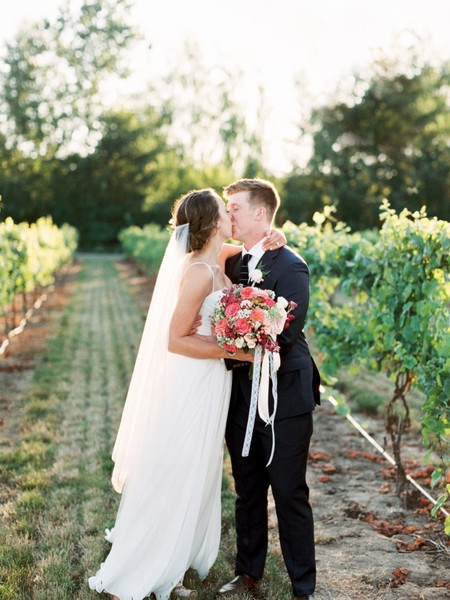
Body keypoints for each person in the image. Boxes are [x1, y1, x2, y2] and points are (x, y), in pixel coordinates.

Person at [88, 188, 284, 600]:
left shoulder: (217, 258)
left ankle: (178, 555)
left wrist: (276, 236)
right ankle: (161, 568)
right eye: (225, 211)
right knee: (179, 467)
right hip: (192, 380)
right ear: (213, 223)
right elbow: (175, 340)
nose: (232, 215)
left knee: (199, 469)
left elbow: (249, 245)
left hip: (213, 380)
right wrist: (234, 352)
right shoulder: (197, 271)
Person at [218, 178, 321, 600]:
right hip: (239, 395)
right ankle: (248, 572)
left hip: (284, 396)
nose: (229, 215)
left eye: (235, 208)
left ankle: (303, 587)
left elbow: (287, 334)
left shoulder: (291, 265)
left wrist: (236, 343)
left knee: (288, 491)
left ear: (261, 213)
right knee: (246, 489)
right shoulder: (230, 262)